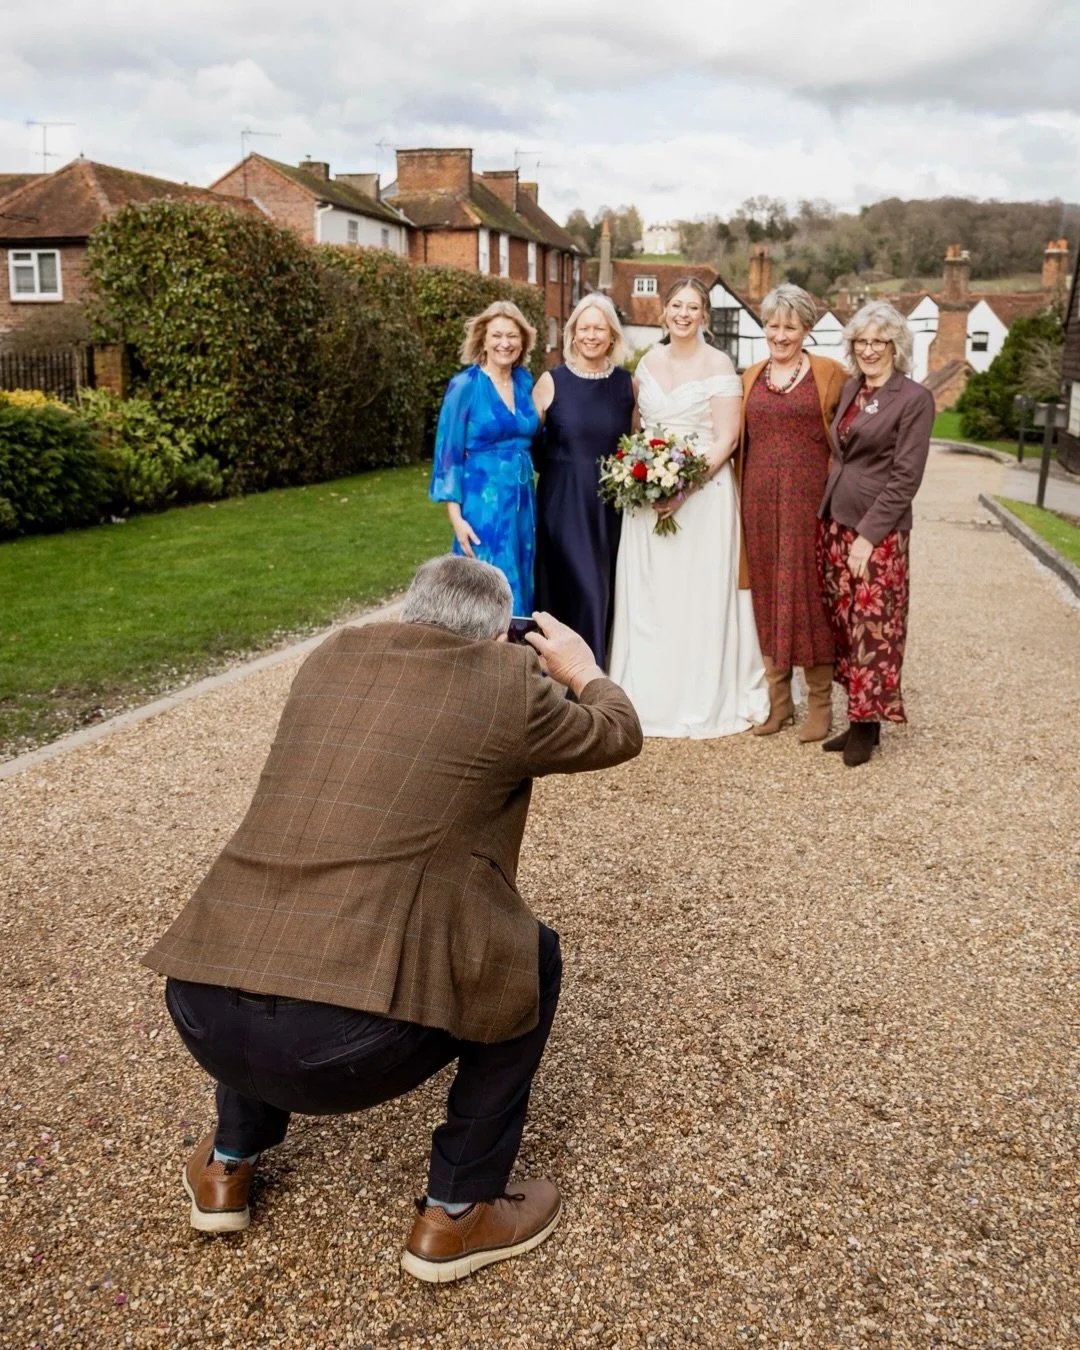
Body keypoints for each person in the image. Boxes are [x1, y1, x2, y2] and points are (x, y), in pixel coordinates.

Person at [142, 555, 642, 1282]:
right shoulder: (508, 685)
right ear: (498, 635)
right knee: (530, 955)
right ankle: (458, 1209)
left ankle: (227, 1162)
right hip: (340, 1051)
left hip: (199, 1008)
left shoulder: (331, 658)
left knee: (279, 926)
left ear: (411, 612)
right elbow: (618, 732)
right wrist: (578, 667)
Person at [608, 277, 768, 737]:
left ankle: (699, 693)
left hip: (704, 497)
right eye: (676, 305)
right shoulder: (647, 362)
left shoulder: (718, 363)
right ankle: (649, 692)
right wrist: (641, 476)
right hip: (646, 499)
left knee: (696, 593)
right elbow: (639, 430)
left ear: (704, 315)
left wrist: (683, 488)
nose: (683, 314)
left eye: (692, 307)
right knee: (652, 595)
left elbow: (727, 438)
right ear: (664, 311)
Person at [817, 300, 934, 767]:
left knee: (875, 626)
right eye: (861, 341)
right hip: (836, 519)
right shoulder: (851, 388)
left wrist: (867, 537)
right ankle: (857, 717)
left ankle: (868, 725)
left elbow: (906, 478)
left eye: (878, 341)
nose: (868, 349)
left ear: (895, 345)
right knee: (845, 624)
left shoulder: (913, 398)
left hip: (877, 531)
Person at [738, 284, 847, 741]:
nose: (780, 335)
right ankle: (779, 702)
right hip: (759, 501)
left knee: (808, 595)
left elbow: (850, 434)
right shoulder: (750, 375)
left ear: (806, 328)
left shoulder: (829, 373)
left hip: (809, 502)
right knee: (766, 593)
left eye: (790, 326)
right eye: (772, 325)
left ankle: (820, 703)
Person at [532, 294, 636, 666]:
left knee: (604, 589)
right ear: (573, 334)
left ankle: (592, 678)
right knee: (580, 588)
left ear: (612, 336)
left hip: (609, 507)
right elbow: (528, 442)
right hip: (563, 503)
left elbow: (635, 444)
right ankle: (569, 676)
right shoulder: (551, 382)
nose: (591, 336)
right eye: (584, 328)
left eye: (599, 329)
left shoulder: (627, 385)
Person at [429, 301, 540, 614]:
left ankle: (516, 642)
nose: (505, 343)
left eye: (512, 336)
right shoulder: (465, 385)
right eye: (497, 335)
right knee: (486, 585)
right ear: (483, 339)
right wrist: (457, 519)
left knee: (522, 577)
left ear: (523, 341)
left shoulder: (524, 382)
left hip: (522, 504)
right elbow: (447, 455)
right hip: (483, 506)